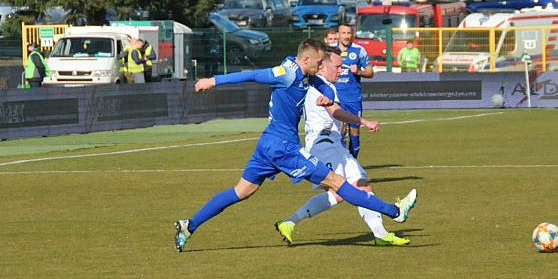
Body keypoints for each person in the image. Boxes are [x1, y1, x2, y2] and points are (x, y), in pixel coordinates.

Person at [173, 38, 417, 253]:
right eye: (319, 63)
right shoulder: (285, 73)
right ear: (307, 59)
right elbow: (251, 75)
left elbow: (322, 87)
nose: (322, 67)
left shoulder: (306, 74)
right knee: (337, 181)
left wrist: (328, 97)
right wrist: (212, 80)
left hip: (268, 143)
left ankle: (189, 225)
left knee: (241, 192)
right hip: (283, 147)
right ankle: (394, 211)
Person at [275, 48, 410, 246]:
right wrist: (363, 121)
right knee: (355, 187)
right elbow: (336, 112)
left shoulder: (322, 84)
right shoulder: (321, 86)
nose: (341, 70)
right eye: (337, 67)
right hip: (323, 144)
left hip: (329, 144)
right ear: (322, 67)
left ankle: (289, 222)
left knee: (345, 191)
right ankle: (390, 219)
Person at [335, 22, 373, 158]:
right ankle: (342, 162)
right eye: (343, 33)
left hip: (353, 98)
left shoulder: (359, 50)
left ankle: (353, 163)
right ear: (338, 35)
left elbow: (370, 72)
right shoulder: (331, 51)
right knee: (340, 130)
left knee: (354, 131)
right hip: (336, 98)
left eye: (349, 33)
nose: (346, 36)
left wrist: (358, 72)